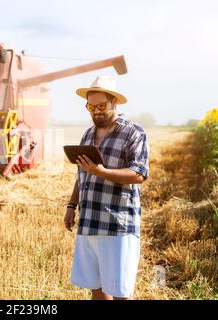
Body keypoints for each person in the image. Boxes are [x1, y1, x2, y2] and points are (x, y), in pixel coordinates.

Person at [64, 75, 149, 300]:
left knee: (119, 292)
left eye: (101, 105)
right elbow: (82, 173)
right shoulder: (87, 134)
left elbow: (139, 174)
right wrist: (71, 205)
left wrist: (101, 172)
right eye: (91, 106)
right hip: (89, 221)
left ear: (115, 103)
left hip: (117, 225)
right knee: (97, 290)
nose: (96, 111)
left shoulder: (133, 132)